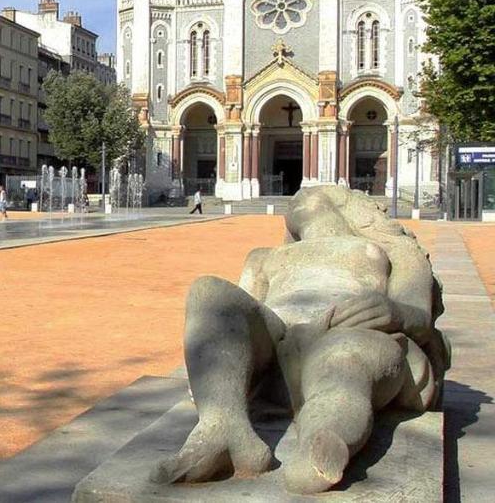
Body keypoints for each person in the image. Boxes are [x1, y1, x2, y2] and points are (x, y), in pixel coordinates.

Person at [152, 186, 448, 494]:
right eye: (294, 201)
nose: (300, 201)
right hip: (277, 344)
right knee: (208, 292)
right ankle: (223, 429)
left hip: (351, 334)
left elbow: (421, 317)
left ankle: (323, 442)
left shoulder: (393, 250)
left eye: (311, 195)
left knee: (344, 359)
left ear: (347, 204)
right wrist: (217, 367)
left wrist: (395, 311)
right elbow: (242, 312)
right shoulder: (264, 257)